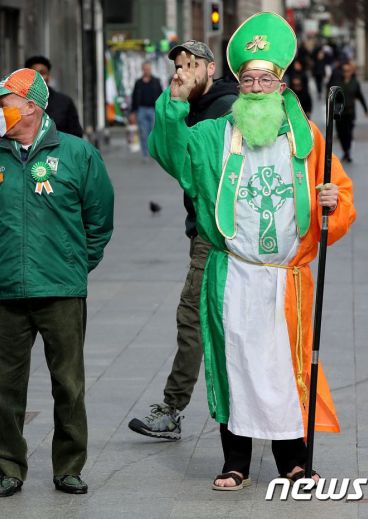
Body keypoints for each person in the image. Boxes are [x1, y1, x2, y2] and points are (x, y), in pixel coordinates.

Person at [149, 12, 356, 491]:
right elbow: (173, 152)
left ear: (282, 85)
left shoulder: (307, 139)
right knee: (235, 365)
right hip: (234, 274)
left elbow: (339, 196)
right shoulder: (215, 136)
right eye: (248, 78)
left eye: (266, 78)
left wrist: (332, 202)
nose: (257, 86)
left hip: (287, 279)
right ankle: (235, 461)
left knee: (285, 370)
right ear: (238, 84)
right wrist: (173, 104)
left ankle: (293, 462)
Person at [0, 68, 114, 497]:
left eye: (4, 104)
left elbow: (100, 219)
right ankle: (9, 467)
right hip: (8, 292)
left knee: (68, 384)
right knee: (5, 389)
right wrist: (1, 257)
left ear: (31, 106)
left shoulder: (77, 154)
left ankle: (68, 466)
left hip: (62, 291)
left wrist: (74, 263)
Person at [128, 40, 237, 441]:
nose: (182, 71)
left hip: (222, 234)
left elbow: (188, 164)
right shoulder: (183, 104)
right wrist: (172, 102)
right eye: (176, 65)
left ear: (211, 69)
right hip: (205, 230)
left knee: (194, 317)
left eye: (191, 64)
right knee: (202, 319)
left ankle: (173, 409)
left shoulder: (226, 109)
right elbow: (162, 150)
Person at [25, 55, 84, 137]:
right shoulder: (19, 101)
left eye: (42, 73)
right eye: (34, 73)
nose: (38, 77)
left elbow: (76, 135)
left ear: (49, 76)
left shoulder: (64, 102)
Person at [328, 61, 368, 163]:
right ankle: (345, 151)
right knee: (341, 133)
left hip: (350, 112)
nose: (346, 73)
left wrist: (365, 109)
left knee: (349, 133)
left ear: (351, 71)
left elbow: (360, 96)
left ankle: (347, 152)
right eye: (344, 71)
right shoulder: (337, 82)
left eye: (348, 71)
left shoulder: (355, 82)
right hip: (339, 113)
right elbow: (331, 96)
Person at [129, 62, 162, 160]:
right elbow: (134, 97)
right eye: (145, 69)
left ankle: (153, 152)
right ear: (142, 70)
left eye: (148, 69)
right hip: (141, 110)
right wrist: (133, 112)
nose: (147, 71)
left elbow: (161, 96)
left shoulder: (156, 81)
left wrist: (161, 110)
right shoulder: (138, 83)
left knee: (153, 132)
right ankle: (145, 153)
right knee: (143, 132)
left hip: (153, 109)